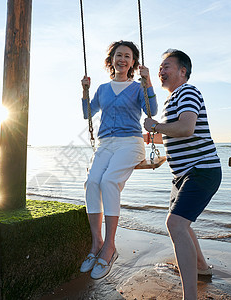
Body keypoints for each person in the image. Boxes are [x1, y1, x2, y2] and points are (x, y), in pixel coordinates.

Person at [144, 49, 222, 299]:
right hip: (183, 175)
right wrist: (149, 135)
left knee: (175, 224)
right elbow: (170, 133)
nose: (161, 71)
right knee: (182, 225)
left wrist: (155, 125)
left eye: (166, 66)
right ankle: (201, 267)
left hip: (201, 170)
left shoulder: (187, 91)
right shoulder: (171, 100)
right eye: (160, 67)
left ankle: (190, 296)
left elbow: (187, 127)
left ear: (182, 71)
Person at [80, 40, 158, 280]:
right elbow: (87, 114)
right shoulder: (103, 89)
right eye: (118, 55)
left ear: (133, 62)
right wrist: (84, 91)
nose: (122, 59)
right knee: (92, 182)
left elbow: (151, 111)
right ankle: (97, 244)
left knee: (109, 181)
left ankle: (110, 247)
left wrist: (148, 83)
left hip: (130, 143)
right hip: (105, 144)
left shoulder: (136, 88)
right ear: (111, 59)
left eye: (127, 56)